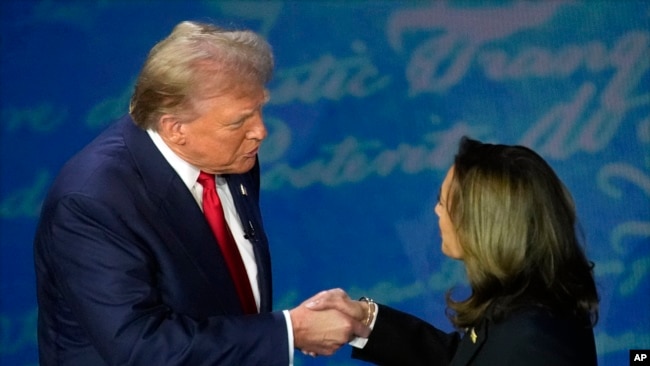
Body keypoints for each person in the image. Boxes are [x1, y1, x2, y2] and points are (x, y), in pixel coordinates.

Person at [33, 20, 366, 366]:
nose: (261, 131)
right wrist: (288, 332)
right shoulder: (92, 201)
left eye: (260, 109)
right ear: (175, 129)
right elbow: (140, 346)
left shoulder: (233, 156)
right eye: (239, 121)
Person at [307, 137, 600, 365]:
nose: (436, 211)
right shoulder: (521, 303)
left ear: (482, 224)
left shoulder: (535, 342)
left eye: (443, 203)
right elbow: (466, 360)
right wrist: (365, 318)